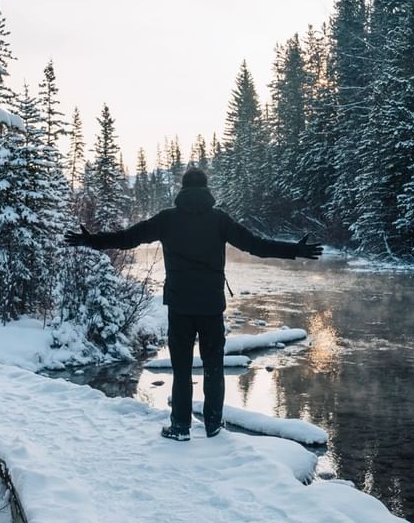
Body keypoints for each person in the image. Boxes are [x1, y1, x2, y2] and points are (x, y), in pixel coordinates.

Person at [64, 168, 322, 441]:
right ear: (206, 189)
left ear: (182, 189)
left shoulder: (168, 219)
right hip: (211, 305)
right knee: (214, 368)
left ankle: (180, 427)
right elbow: (255, 246)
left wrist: (92, 241)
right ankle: (213, 426)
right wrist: (295, 249)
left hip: (180, 305)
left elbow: (129, 238)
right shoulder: (219, 220)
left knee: (182, 369)